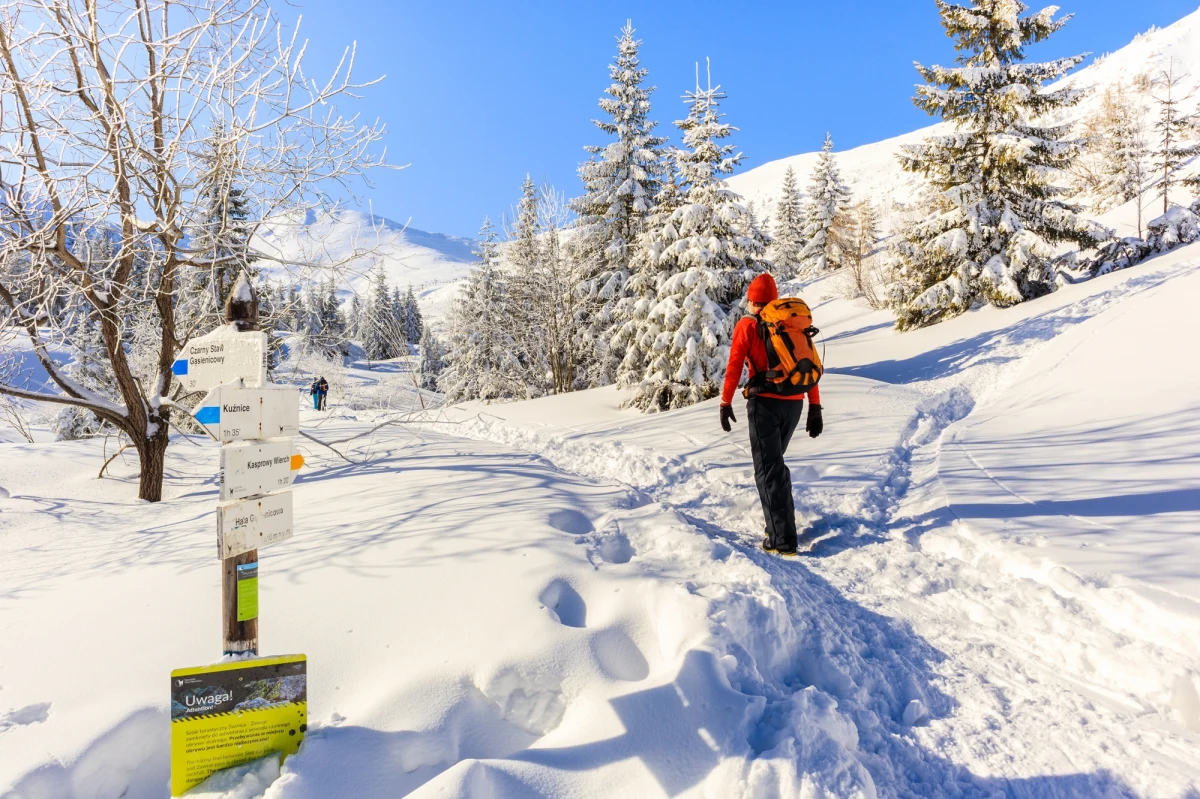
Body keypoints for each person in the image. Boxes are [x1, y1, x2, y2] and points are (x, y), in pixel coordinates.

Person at [719, 273, 823, 556]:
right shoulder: (790, 324)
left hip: (764, 403)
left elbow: (734, 366)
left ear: (752, 301)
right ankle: (779, 526)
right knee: (774, 466)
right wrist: (814, 406)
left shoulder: (747, 324)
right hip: (795, 402)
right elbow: (808, 366)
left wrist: (725, 402)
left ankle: (782, 539)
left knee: (768, 471)